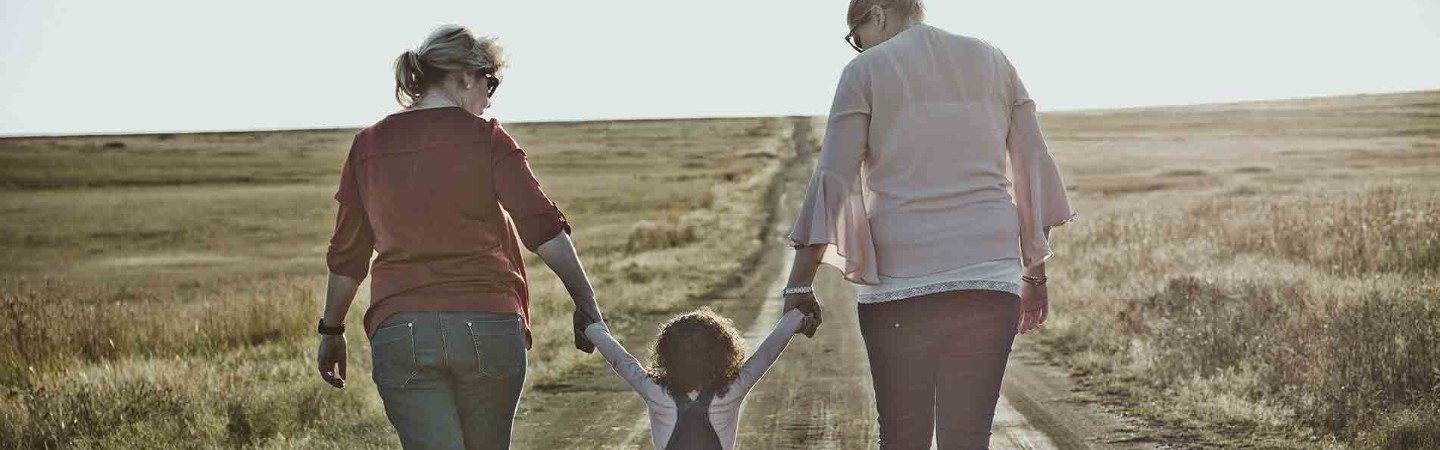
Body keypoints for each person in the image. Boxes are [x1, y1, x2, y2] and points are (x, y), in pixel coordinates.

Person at [782, 1, 1077, 448]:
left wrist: (799, 286)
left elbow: (834, 179)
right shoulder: (993, 60)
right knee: (968, 437)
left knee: (902, 435)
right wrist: (1034, 273)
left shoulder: (865, 72)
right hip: (989, 279)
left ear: (876, 14)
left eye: (855, 38)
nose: (857, 49)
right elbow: (1032, 167)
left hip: (899, 285)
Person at [314, 24, 603, 449]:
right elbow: (543, 228)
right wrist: (586, 302)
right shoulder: (487, 138)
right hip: (489, 324)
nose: (489, 98)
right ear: (465, 76)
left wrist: (331, 330)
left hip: (401, 329)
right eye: (491, 83)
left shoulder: (368, 145)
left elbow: (348, 257)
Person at [576, 307, 814, 450]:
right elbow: (767, 353)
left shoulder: (655, 391)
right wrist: (797, 315)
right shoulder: (730, 391)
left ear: (665, 355)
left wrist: (592, 328)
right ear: (723, 352)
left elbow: (622, 361)